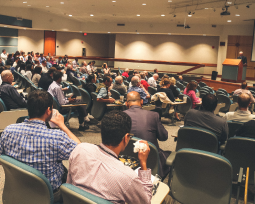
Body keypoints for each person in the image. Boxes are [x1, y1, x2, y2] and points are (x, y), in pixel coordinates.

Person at [0, 90, 81, 202]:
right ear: (49, 110)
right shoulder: (56, 137)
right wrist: (63, 126)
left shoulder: (8, 131)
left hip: (16, 191)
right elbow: (82, 151)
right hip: (48, 196)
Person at [66, 110, 153, 204]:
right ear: (126, 137)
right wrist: (143, 164)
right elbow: (145, 202)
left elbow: (69, 187)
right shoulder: (128, 177)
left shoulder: (80, 150)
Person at [124, 91, 170, 178]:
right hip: (151, 159)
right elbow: (164, 137)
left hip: (126, 160)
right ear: (142, 101)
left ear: (126, 103)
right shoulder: (153, 115)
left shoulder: (119, 116)